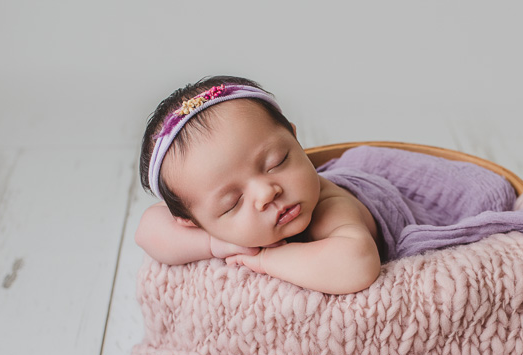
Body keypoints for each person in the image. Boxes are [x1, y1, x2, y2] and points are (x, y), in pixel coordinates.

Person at [137, 76, 382, 295]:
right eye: (232, 203)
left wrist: (265, 259)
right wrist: (215, 244)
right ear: (192, 221)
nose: (266, 192)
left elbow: (358, 263)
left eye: (277, 162)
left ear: (294, 138)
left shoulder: (329, 204)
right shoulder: (207, 217)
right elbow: (146, 232)